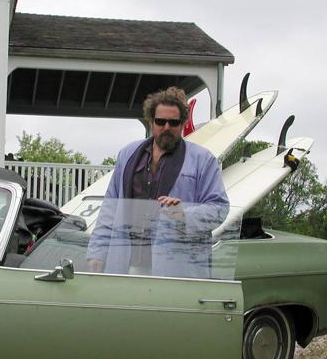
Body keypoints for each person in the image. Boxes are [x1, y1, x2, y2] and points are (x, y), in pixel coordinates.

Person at [86, 86, 229, 277]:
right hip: (126, 266)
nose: (167, 127)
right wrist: (97, 252)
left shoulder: (203, 160)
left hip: (177, 269)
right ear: (151, 121)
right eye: (160, 121)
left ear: (183, 123)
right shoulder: (127, 155)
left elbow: (219, 208)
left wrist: (183, 214)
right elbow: (110, 208)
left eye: (174, 122)